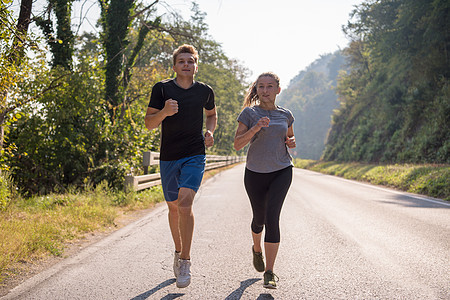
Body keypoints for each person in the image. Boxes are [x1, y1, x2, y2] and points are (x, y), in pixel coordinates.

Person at [144, 44, 217, 288]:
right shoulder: (162, 89)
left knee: (186, 204)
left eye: (190, 61)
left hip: (195, 154)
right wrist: (164, 112)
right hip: (168, 157)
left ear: (196, 66)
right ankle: (178, 251)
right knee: (174, 208)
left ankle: (185, 260)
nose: (186, 64)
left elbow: (212, 114)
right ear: (175, 66)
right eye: (182, 61)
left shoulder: (205, 91)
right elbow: (149, 124)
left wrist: (209, 131)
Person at [234, 72, 296, 289]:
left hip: (282, 170)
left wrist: (291, 142)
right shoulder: (249, 113)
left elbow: (289, 137)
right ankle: (256, 249)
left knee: (272, 218)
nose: (265, 90)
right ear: (257, 89)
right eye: (261, 86)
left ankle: (269, 272)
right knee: (258, 219)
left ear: (278, 90)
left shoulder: (286, 114)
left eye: (270, 86)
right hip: (255, 172)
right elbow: (237, 144)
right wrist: (256, 127)